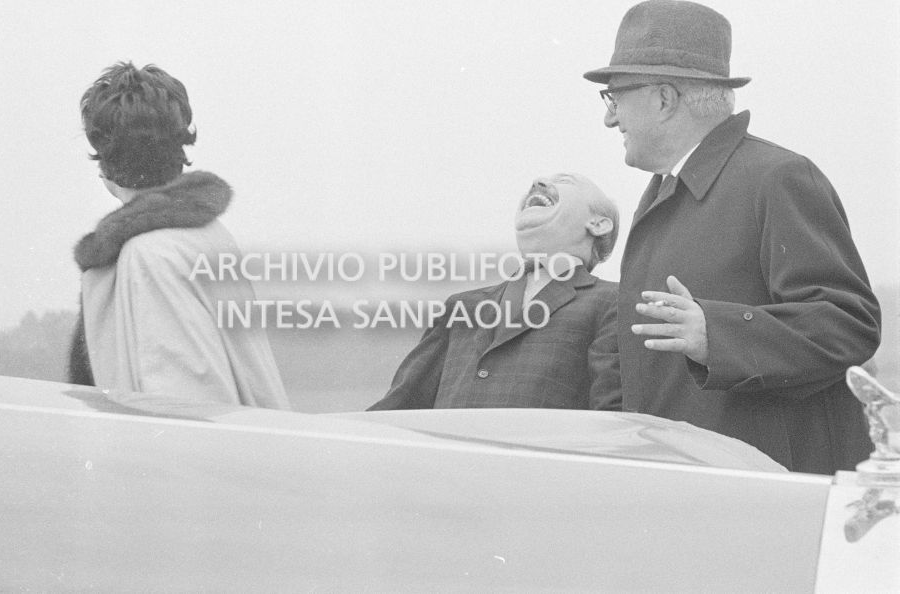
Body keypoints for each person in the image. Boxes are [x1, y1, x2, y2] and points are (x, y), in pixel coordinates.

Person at [583, 0, 880, 473]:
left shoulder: (778, 177)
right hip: (685, 486)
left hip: (764, 495)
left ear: (664, 98)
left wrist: (715, 335)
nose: (609, 119)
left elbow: (848, 324)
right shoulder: (663, 191)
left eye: (614, 97)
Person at [67, 61, 289, 410]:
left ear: (103, 160)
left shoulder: (149, 255)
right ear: (179, 147)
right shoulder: (207, 233)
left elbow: (186, 411)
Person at [368, 172, 621, 411]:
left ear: (598, 224)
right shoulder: (462, 306)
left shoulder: (613, 301)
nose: (539, 183)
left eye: (565, 180)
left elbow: (611, 412)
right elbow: (399, 405)